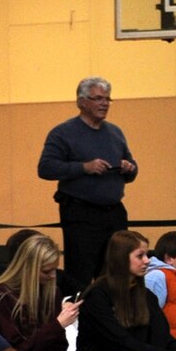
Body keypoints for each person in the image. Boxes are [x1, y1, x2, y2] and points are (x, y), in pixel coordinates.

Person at [0, 233, 164, 351]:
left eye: (54, 270)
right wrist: (58, 325)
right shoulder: (1, 296)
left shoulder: (51, 292)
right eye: (46, 271)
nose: (53, 277)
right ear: (28, 269)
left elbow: (60, 347)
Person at [38, 77, 137, 293]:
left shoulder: (115, 132)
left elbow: (133, 168)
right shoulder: (62, 133)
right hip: (81, 214)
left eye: (108, 99)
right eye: (98, 98)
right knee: (80, 275)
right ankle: (77, 321)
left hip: (114, 213)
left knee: (117, 271)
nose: (104, 103)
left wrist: (129, 168)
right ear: (81, 102)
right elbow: (45, 168)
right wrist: (84, 168)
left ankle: (115, 318)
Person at [76, 231, 176, 351]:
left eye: (147, 255)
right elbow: (119, 341)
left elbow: (164, 338)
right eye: (140, 256)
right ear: (121, 258)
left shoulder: (146, 295)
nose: (147, 261)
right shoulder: (97, 295)